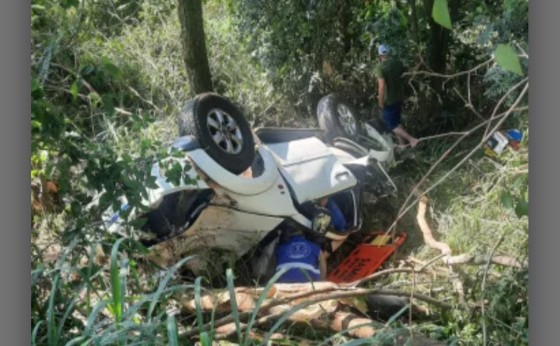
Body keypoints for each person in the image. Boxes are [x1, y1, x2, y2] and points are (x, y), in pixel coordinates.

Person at [375, 44, 419, 148]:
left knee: (392, 125)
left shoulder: (380, 67)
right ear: (389, 53)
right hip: (399, 98)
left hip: (388, 101)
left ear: (379, 56)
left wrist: (380, 102)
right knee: (397, 122)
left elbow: (381, 86)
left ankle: (412, 140)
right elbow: (407, 75)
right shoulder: (398, 63)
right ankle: (402, 145)